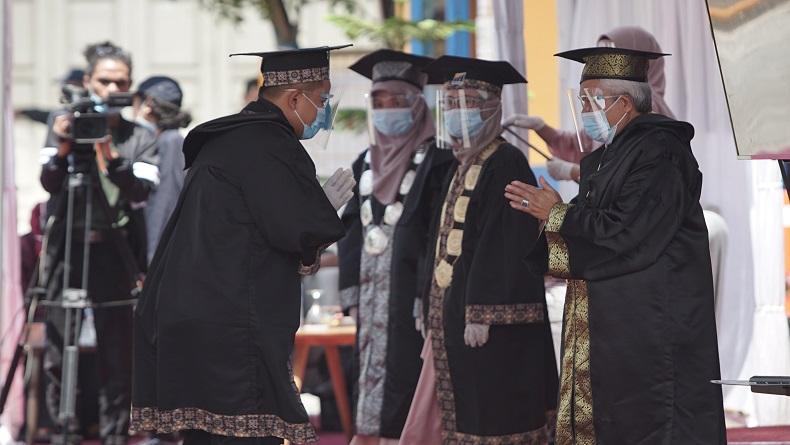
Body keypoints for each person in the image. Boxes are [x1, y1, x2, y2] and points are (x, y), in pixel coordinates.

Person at [130, 45, 356, 445]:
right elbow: (292, 232)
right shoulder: (271, 146)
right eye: (322, 98)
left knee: (207, 434)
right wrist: (322, 214)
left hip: (192, 316)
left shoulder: (228, 139)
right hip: (233, 326)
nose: (324, 110)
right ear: (294, 98)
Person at [504, 47, 726, 444]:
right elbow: (595, 232)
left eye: (592, 100)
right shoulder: (609, 156)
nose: (585, 110)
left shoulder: (661, 151)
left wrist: (558, 214)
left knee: (652, 423)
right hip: (614, 324)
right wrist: (550, 214)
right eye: (583, 99)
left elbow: (630, 233)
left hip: (652, 326)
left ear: (624, 102)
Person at [399, 56, 558, 445]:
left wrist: (484, 311)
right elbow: (439, 240)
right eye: (451, 105)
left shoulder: (506, 160)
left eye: (468, 104)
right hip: (456, 314)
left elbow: (507, 242)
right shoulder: (461, 163)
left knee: (494, 413)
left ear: (492, 109)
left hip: (492, 324)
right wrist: (427, 297)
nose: (457, 114)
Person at [39, 41, 158, 445]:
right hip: (66, 247)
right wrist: (65, 146)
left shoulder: (138, 135)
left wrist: (109, 150)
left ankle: (113, 437)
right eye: (104, 81)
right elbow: (48, 184)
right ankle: (63, 433)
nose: (111, 89)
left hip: (115, 248)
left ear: (130, 86)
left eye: (121, 82)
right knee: (59, 349)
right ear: (87, 81)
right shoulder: (62, 122)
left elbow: (141, 193)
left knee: (116, 351)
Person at [338, 49, 453, 445]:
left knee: (407, 371)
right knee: (367, 368)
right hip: (371, 298)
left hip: (414, 295)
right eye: (379, 102)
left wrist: (428, 293)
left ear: (418, 106)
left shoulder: (439, 162)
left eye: (397, 102)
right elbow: (352, 229)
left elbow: (440, 230)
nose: (387, 110)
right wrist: (350, 292)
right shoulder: (363, 164)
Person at [504, 26, 674, 182]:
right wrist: (541, 127)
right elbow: (584, 145)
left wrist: (573, 174)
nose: (606, 63)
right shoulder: (611, 112)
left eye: (612, 54)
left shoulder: (648, 112)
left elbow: (627, 185)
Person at [132, 75, 192, 263]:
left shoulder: (170, 142)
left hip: (160, 257)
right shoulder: (160, 140)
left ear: (147, 104)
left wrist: (154, 260)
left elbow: (164, 204)